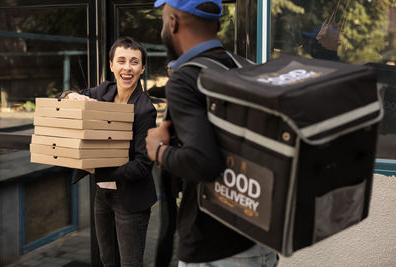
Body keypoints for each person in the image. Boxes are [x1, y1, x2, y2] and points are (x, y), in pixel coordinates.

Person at [145, 1, 278, 266]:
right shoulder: (246, 67)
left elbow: (204, 163)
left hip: (213, 251)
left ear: (172, 23)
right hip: (260, 240)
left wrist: (159, 151)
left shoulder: (185, 80)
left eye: (163, 20)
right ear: (217, 24)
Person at [60, 36, 157, 267]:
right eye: (121, 61)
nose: (127, 67)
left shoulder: (145, 109)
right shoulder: (103, 91)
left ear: (142, 68)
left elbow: (143, 165)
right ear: (111, 65)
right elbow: (62, 97)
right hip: (102, 196)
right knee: (107, 260)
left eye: (134, 62)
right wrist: (69, 95)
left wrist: (98, 169)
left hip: (131, 200)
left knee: (130, 264)